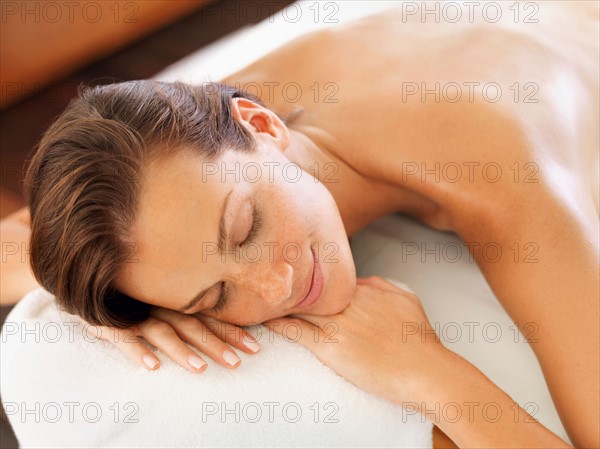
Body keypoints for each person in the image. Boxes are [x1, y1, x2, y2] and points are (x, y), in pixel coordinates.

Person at [1, 3, 597, 447]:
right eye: (214, 295)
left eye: (245, 227)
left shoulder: (493, 165)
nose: (275, 285)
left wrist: (432, 376)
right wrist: (102, 308)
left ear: (262, 126)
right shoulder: (181, 146)